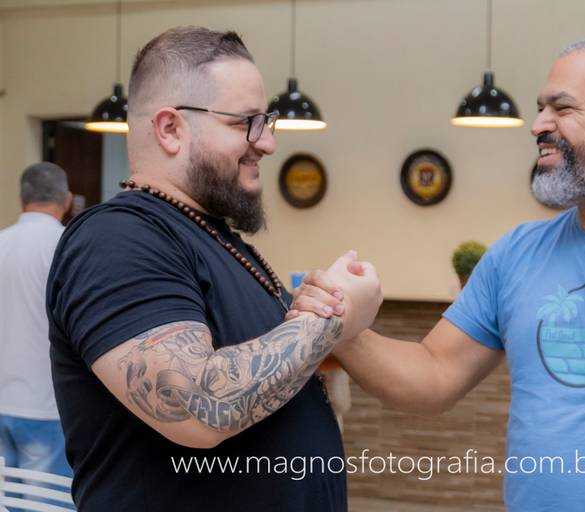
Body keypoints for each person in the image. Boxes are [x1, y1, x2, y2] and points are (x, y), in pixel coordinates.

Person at [292, 37, 585, 511]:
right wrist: (341, 328)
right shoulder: (516, 253)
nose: (538, 125)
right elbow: (434, 374)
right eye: (541, 108)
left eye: (562, 108)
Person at [46, 27, 381, 511]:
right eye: (246, 122)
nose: (266, 143)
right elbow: (194, 406)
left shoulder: (214, 239)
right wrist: (331, 321)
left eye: (267, 122)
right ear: (170, 129)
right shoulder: (116, 239)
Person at [0, 162, 72, 479]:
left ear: (21, 198)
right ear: (66, 200)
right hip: (46, 405)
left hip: (3, 399)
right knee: (44, 498)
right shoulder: (66, 247)